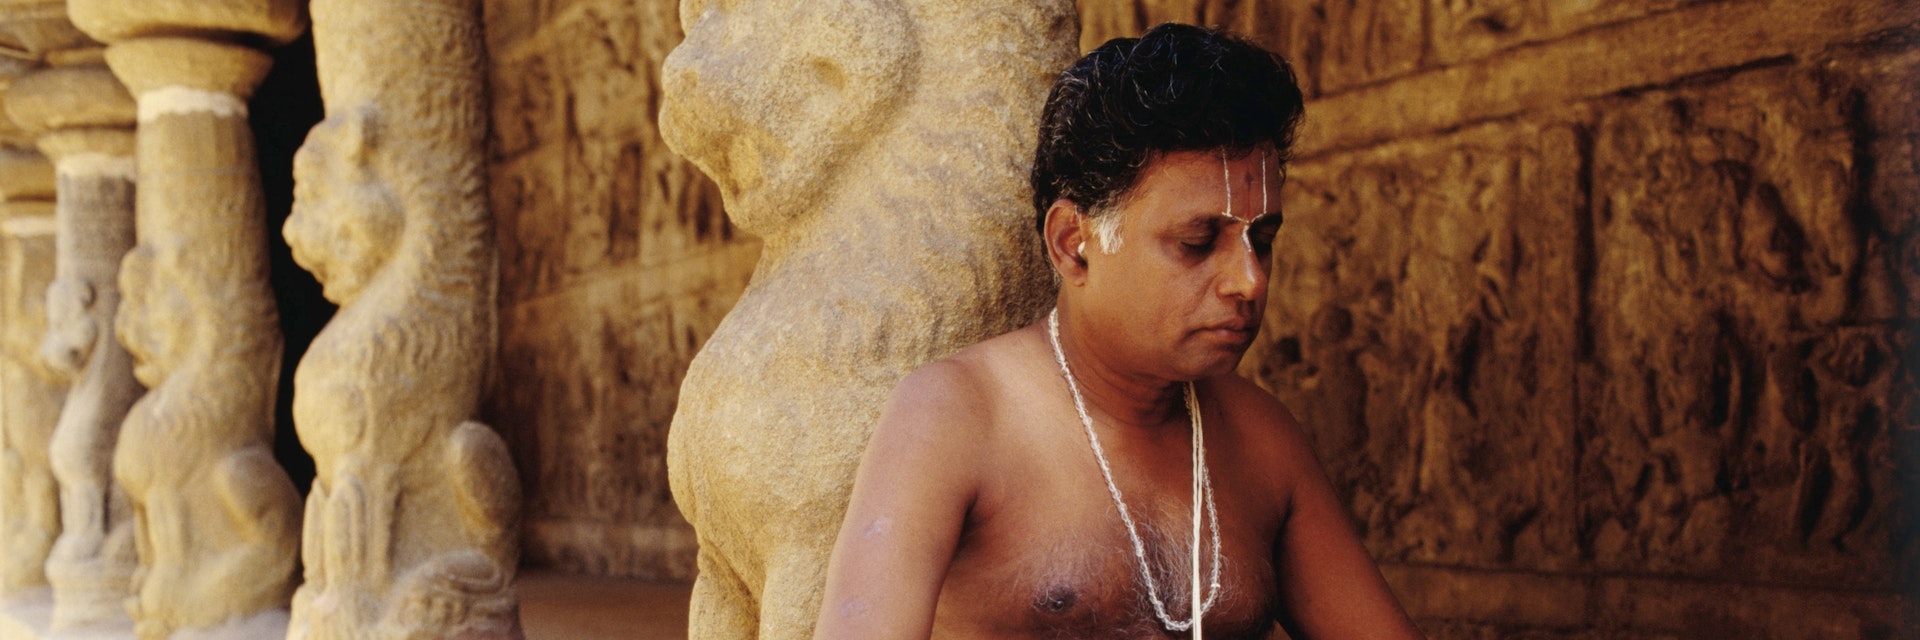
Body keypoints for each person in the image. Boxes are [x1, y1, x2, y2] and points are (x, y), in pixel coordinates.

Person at [814, 23, 1423, 640]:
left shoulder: (1261, 440)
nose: (1249, 282)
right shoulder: (954, 419)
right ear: (1074, 246)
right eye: (1197, 242)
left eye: (1261, 242)